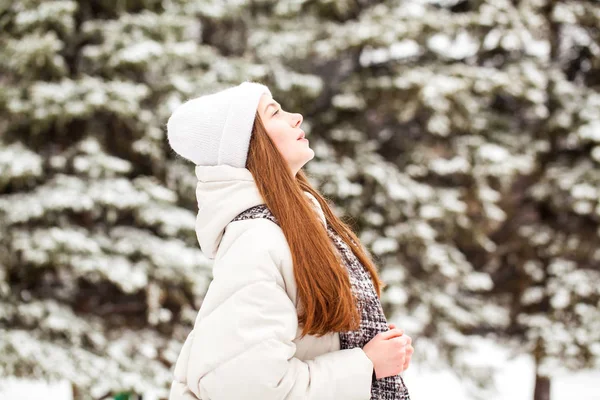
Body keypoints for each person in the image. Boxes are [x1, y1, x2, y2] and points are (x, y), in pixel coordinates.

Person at [165, 81, 413, 400]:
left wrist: (376, 352)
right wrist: (365, 365)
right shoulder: (257, 239)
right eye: (275, 114)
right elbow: (246, 386)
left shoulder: (297, 227)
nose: (295, 117)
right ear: (251, 145)